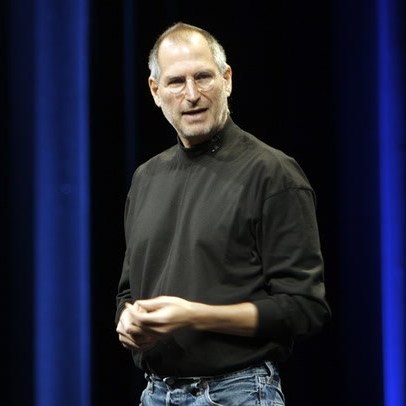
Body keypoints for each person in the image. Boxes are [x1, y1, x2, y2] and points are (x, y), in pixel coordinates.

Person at [115, 22, 331, 406]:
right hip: (157, 392)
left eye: (203, 77)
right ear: (155, 91)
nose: (192, 95)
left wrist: (194, 315)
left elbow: (304, 309)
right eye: (176, 82)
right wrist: (129, 320)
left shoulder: (272, 173)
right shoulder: (146, 178)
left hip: (238, 390)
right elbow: (129, 292)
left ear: (227, 80)